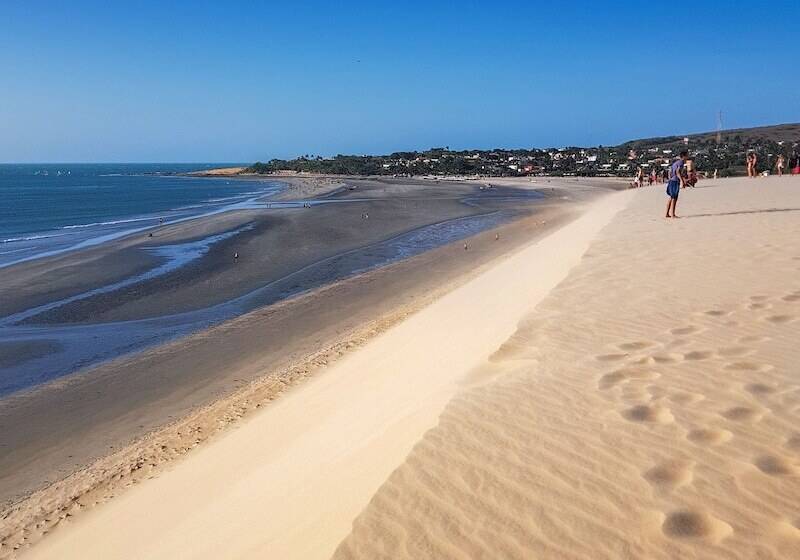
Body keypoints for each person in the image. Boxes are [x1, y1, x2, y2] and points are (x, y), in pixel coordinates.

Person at [665, 151, 688, 218]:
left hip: (672, 181)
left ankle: (667, 214)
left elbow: (670, 171)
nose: (687, 157)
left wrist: (670, 179)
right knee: (674, 198)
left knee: (671, 197)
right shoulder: (681, 163)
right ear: (684, 156)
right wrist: (682, 181)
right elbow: (677, 172)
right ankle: (673, 214)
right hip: (675, 181)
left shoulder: (676, 163)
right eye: (687, 156)